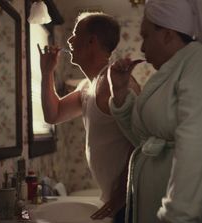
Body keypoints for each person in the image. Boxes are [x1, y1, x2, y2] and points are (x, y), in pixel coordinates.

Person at [107, 0, 202, 222]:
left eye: (146, 36)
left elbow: (196, 141)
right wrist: (119, 93)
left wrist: (176, 214)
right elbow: (146, 141)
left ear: (167, 34)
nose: (143, 47)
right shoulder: (169, 72)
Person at [37, 12, 140, 222]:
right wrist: (47, 72)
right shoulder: (88, 86)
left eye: (75, 34)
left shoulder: (117, 83)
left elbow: (140, 141)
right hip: (116, 198)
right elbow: (53, 114)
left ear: (92, 41)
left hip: (131, 199)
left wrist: (121, 194)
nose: (69, 40)